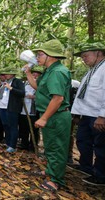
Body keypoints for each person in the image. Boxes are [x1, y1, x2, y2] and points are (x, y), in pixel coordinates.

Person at [24, 39, 71, 192]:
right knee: (50, 146)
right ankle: (51, 171)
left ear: (50, 55)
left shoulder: (57, 72)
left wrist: (44, 118)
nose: (37, 58)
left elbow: (58, 98)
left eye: (40, 54)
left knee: (57, 148)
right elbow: (38, 87)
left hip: (56, 115)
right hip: (50, 114)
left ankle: (56, 180)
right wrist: (28, 73)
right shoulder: (49, 71)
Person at [69, 42, 105, 186]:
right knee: (83, 141)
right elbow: (83, 94)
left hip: (98, 116)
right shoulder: (91, 70)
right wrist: (77, 114)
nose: (83, 59)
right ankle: (86, 168)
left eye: (86, 55)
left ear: (98, 53)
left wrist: (103, 116)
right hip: (86, 114)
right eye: (82, 56)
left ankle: (100, 176)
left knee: (100, 146)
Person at [0, 68, 25, 153]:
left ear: (13, 74)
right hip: (2, 107)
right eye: (5, 74)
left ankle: (13, 145)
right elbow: (1, 95)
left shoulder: (17, 82)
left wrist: (11, 88)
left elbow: (22, 93)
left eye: (7, 74)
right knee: (5, 125)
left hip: (12, 108)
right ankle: (8, 143)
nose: (5, 75)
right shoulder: (5, 82)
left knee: (13, 126)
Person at [18, 67, 43, 151]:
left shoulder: (41, 85)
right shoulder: (24, 84)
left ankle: (33, 146)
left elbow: (44, 96)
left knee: (34, 129)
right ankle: (24, 144)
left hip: (34, 111)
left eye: (37, 75)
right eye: (33, 74)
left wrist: (34, 97)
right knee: (24, 128)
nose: (35, 76)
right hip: (23, 110)